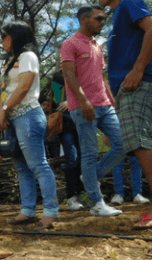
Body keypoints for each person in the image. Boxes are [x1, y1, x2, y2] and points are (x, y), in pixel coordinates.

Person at [86, 0, 152, 228]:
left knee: (139, 142)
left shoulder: (129, 3)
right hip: (132, 86)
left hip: (138, 83)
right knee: (149, 144)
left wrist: (138, 69)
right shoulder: (120, 13)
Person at [60, 5, 124, 217]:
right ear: (84, 19)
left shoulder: (96, 45)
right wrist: (84, 101)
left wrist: (113, 102)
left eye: (103, 19)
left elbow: (101, 77)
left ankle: (91, 176)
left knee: (123, 144)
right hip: (83, 107)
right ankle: (97, 204)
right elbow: (69, 75)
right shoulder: (70, 44)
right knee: (90, 152)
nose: (102, 22)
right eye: (98, 18)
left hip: (105, 105)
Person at [0, 21, 58, 230]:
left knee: (38, 165)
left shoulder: (28, 57)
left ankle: (50, 212)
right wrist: (0, 111)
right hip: (12, 119)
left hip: (28, 115)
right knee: (22, 168)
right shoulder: (9, 62)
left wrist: (4, 109)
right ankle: (28, 211)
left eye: (4, 36)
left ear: (16, 36)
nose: (1, 41)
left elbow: (24, 87)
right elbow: (4, 91)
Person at [48, 71, 84, 211]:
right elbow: (59, 102)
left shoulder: (81, 74)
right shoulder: (58, 77)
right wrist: (73, 102)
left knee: (83, 158)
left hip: (81, 122)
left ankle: (83, 195)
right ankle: (71, 197)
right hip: (66, 123)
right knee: (72, 158)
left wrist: (72, 102)